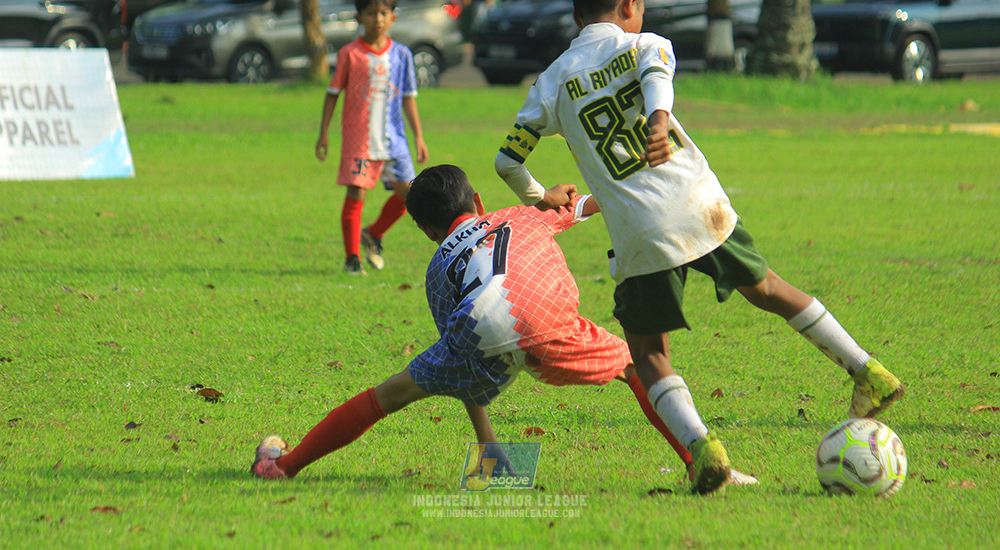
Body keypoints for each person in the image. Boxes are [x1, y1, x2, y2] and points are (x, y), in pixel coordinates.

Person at [493, 0, 904, 495]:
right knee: (768, 288)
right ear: (632, 3)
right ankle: (867, 370)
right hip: (699, 204)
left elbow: (506, 160)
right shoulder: (647, 44)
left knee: (647, 352)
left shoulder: (549, 83)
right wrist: (659, 119)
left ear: (575, 11)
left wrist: (541, 195)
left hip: (640, 234)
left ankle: (703, 447)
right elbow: (656, 71)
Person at [251, 164, 757, 485]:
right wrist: (611, 188)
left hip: (478, 331)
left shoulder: (435, 269)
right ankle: (703, 465)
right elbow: (580, 206)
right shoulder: (518, 214)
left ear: (429, 232)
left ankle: (284, 465)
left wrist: (487, 444)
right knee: (635, 367)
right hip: (550, 318)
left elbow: (459, 358)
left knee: (386, 397)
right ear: (477, 205)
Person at [316, 0, 429, 275]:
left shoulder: (402, 55)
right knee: (356, 196)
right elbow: (332, 93)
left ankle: (375, 232)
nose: (377, 19)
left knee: (410, 194)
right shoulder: (349, 54)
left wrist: (418, 136)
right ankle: (352, 259)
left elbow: (408, 97)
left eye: (383, 13)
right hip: (360, 140)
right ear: (359, 17)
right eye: (371, 13)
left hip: (394, 139)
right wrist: (324, 133)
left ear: (393, 17)